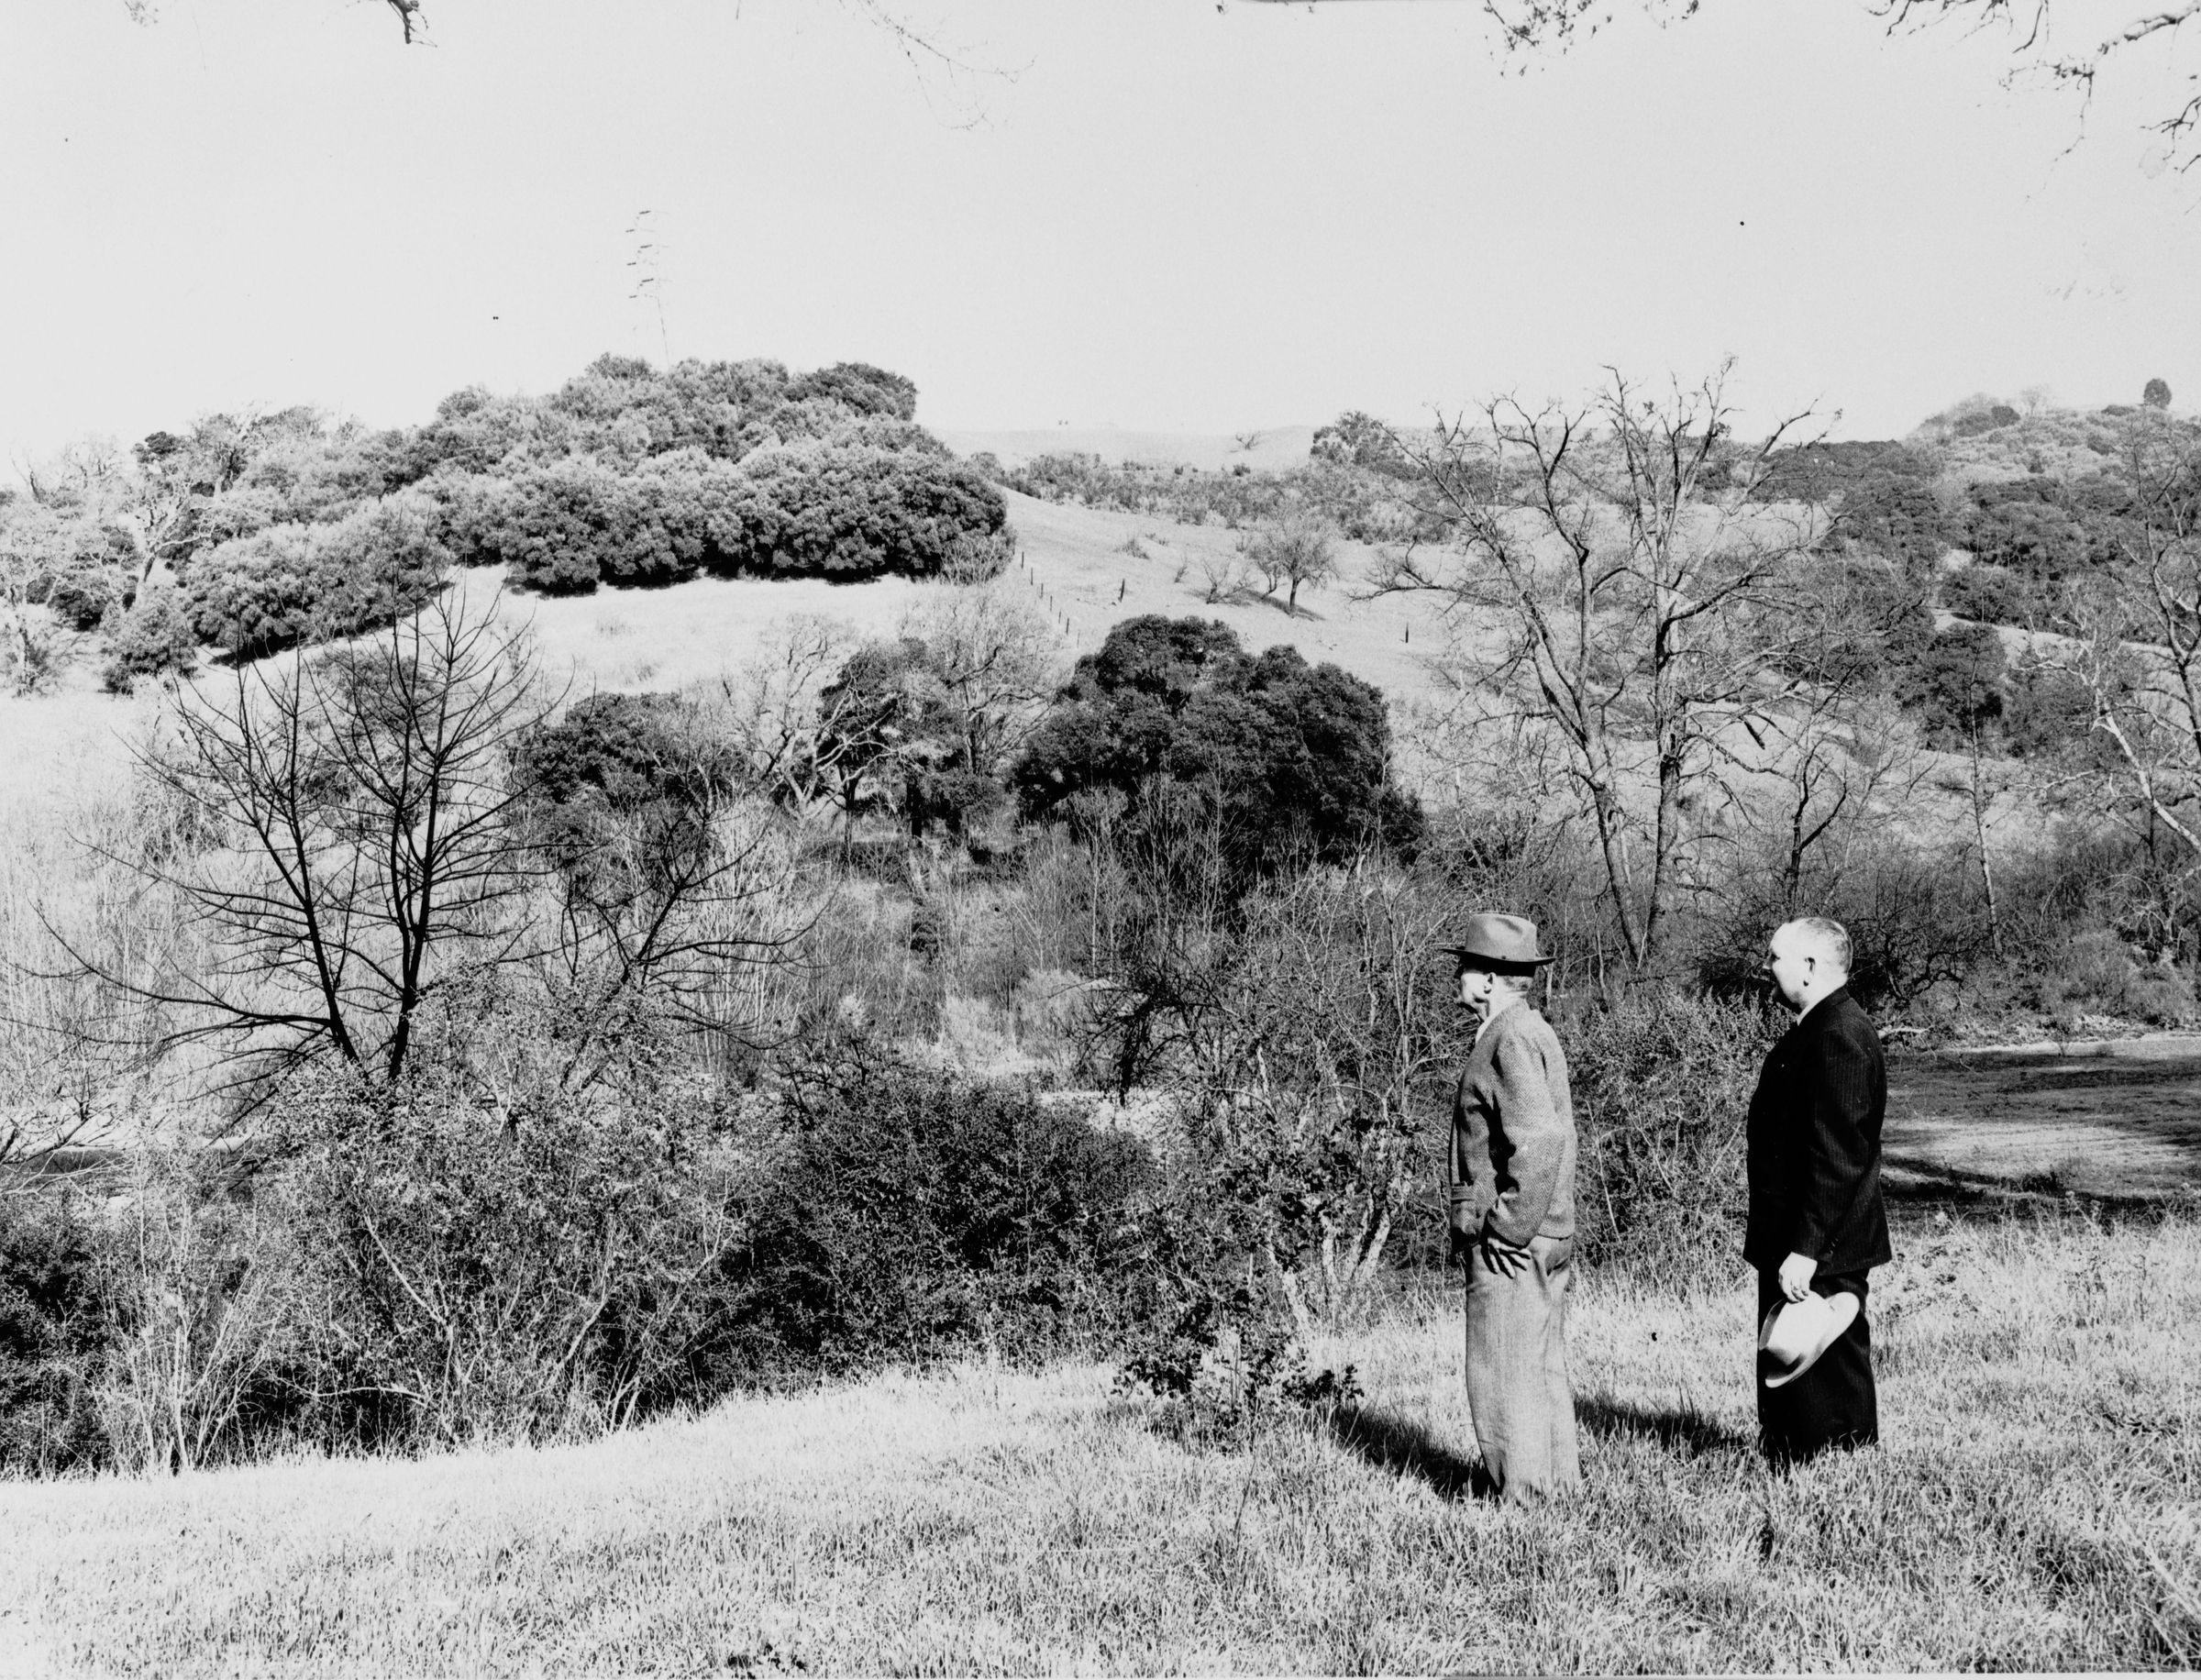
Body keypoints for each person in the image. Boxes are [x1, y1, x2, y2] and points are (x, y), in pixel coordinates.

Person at [1745, 915, 1892, 1464]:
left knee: (1829, 1375)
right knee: (1798, 1375)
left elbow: (1838, 1158)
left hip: (1822, 1243)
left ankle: (1842, 1477)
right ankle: (1796, 1469)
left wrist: (1806, 1249)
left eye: (1775, 957)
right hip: (1803, 1237)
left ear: (1809, 966)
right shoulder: (1818, 1029)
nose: (1767, 967)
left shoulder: (1839, 1036)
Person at [1444, 912, 1579, 1500]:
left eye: (1465, 966)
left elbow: (1541, 1140)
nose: (1458, 975)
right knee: (1538, 1366)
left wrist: (1505, 1229)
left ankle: (1524, 1502)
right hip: (1544, 1233)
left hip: (1516, 1241)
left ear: (1490, 979)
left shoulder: (1511, 1037)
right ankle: (1555, 1492)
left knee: (1503, 1371)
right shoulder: (1529, 1029)